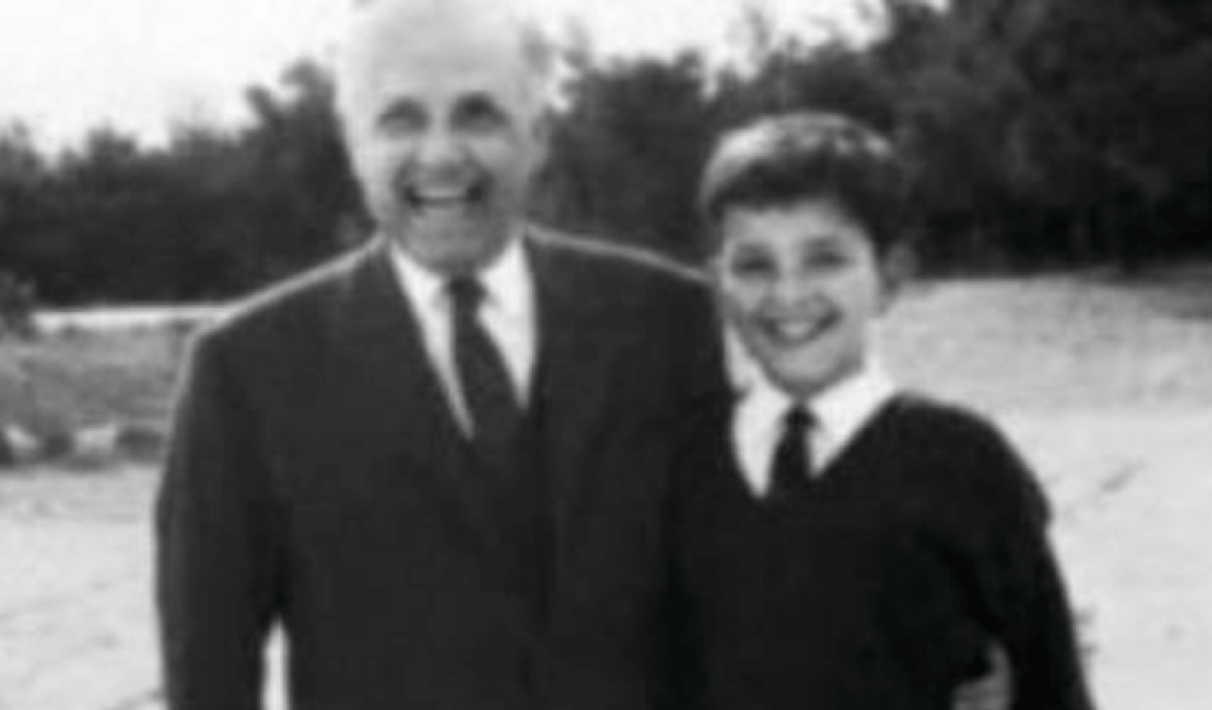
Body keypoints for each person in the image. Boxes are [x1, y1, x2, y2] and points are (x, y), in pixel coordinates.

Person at [153, 1, 725, 709]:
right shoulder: (246, 372)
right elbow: (208, 674)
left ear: (538, 137)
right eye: (401, 120)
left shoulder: (668, 323)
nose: (442, 154)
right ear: (353, 144)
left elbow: (741, 605)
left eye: (478, 115)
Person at [673, 111, 1095, 710]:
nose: (788, 293)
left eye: (825, 259)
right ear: (718, 283)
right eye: (754, 265)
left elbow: (1050, 679)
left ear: (890, 277)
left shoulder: (963, 462)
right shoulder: (684, 458)